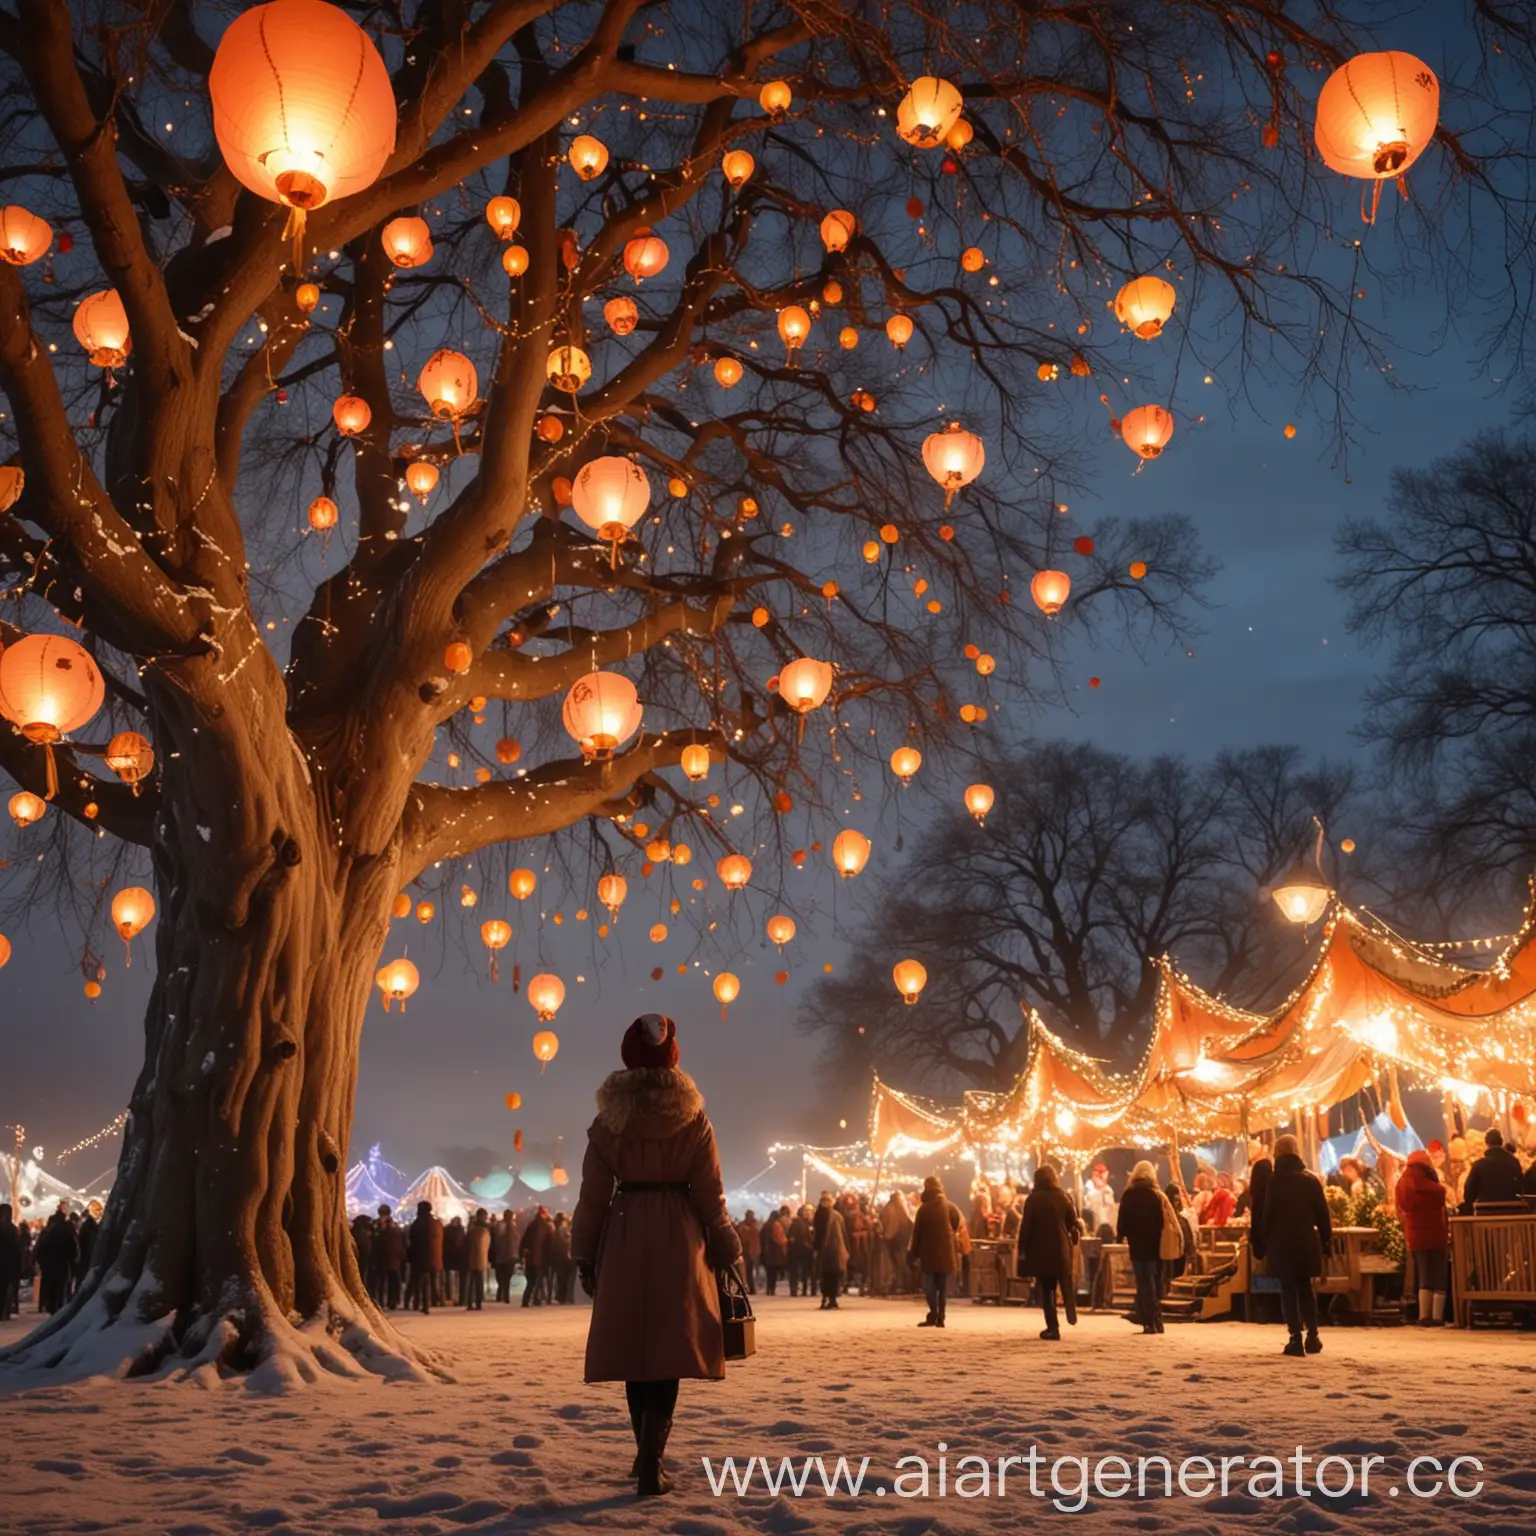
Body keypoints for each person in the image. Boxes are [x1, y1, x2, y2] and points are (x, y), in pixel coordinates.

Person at [571, 1013, 741, 1499]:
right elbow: (711, 1193)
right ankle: (653, 1459)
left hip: (624, 1231)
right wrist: (726, 1246)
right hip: (681, 1236)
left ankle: (642, 1454)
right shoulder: (693, 1117)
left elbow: (592, 1197)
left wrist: (585, 1253)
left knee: (634, 1351)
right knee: (668, 1348)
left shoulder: (609, 1123)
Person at [1257, 1132, 1332, 1357]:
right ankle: (1313, 1335)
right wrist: (1326, 1240)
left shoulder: (1274, 1182)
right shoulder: (1311, 1180)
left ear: (1277, 1154)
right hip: (1306, 1242)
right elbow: (1323, 1214)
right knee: (1306, 1287)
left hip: (1282, 1244)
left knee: (1288, 1289)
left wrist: (1263, 1240)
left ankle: (1295, 1338)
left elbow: (1267, 1215)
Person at [1017, 1165, 1079, 1340]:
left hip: (1041, 1250)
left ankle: (1053, 1327)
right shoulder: (1063, 1196)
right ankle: (1070, 1306)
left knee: (1047, 1290)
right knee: (1065, 1281)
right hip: (1061, 1248)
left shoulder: (1033, 1199)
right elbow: (1072, 1221)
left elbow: (1026, 1227)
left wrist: (1022, 1248)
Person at [1396, 1148, 1450, 1325]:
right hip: (1436, 1232)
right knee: (1438, 1274)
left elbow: (1401, 1209)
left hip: (1415, 1232)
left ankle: (1423, 1316)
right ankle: (1437, 1317)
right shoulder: (1436, 1187)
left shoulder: (1403, 1183)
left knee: (1424, 1273)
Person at [1116, 1161, 1167, 1335]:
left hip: (1136, 1244)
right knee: (1152, 1280)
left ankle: (1148, 1320)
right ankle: (1155, 1319)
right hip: (1153, 1244)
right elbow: (1162, 1221)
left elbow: (1122, 1219)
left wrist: (1120, 1236)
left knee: (1142, 1281)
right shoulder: (1155, 1195)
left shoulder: (1129, 1195)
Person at [907, 1175, 959, 1328]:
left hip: (929, 1254)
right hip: (946, 1253)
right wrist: (949, 1237)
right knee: (942, 1287)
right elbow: (956, 1224)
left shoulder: (924, 1209)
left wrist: (913, 1253)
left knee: (929, 1286)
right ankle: (941, 1316)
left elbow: (917, 1233)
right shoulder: (950, 1207)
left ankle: (933, 1313)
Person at [1459, 1127, 1525, 1211]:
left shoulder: (1479, 1165)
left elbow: (1469, 1195)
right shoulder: (1514, 1163)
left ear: (1487, 1143)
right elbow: (1521, 1188)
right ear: (1501, 1142)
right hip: (1511, 1211)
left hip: (1486, 1212)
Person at [33, 1209, 78, 1315]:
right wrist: (72, 1263)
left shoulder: (48, 1232)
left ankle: (51, 1308)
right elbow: (74, 1250)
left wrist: (42, 1263)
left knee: (51, 1289)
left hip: (49, 1266)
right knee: (61, 1289)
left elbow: (40, 1249)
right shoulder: (67, 1232)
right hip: (63, 1265)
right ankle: (60, 1309)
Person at [407, 1200, 442, 1314]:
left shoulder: (418, 1223)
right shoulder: (436, 1223)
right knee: (428, 1281)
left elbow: (412, 1238)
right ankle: (428, 1303)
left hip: (419, 1257)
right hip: (433, 1257)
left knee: (418, 1281)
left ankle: (418, 1303)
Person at [817, 1196, 848, 1309]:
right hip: (825, 1250)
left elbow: (843, 1234)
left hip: (834, 1249)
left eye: (827, 1201)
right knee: (826, 1275)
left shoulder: (836, 1216)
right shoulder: (819, 1215)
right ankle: (827, 1298)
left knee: (833, 1275)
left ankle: (832, 1298)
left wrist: (846, 1249)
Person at [519, 1205, 553, 1306]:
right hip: (539, 1258)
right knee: (536, 1280)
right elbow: (548, 1244)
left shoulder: (532, 1225)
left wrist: (522, 1254)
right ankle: (532, 1299)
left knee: (532, 1280)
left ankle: (530, 1299)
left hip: (531, 1257)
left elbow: (524, 1241)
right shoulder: (545, 1226)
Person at [372, 1206, 405, 1310]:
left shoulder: (378, 1228)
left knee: (383, 1282)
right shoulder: (397, 1228)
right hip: (394, 1259)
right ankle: (392, 1301)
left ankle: (383, 1301)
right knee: (392, 1282)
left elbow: (376, 1244)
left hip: (384, 1259)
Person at [463, 1207, 492, 1310]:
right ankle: (479, 1302)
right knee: (479, 1281)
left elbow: (465, 1243)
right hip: (482, 1258)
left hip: (471, 1258)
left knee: (471, 1282)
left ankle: (470, 1302)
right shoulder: (487, 1229)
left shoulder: (472, 1229)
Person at [0, 1203, 22, 1321]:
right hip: (9, 1265)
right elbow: (17, 1250)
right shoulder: (13, 1230)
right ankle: (5, 1311)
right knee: (7, 1288)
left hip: (4, 1263)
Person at [491, 1209, 519, 1302]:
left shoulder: (502, 1226)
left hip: (504, 1256)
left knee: (503, 1277)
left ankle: (502, 1295)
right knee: (504, 1277)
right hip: (507, 1255)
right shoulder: (507, 1226)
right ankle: (503, 1295)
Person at [787, 1205, 814, 1298]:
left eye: (810, 1211)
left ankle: (805, 1290)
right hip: (796, 1250)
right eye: (806, 1210)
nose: (808, 1213)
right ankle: (794, 1289)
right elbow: (791, 1237)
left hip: (807, 1251)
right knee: (795, 1271)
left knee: (806, 1271)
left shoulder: (810, 1223)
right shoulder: (797, 1222)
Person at [1082, 1163, 1117, 1236]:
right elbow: (1087, 1207)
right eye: (1098, 1176)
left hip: (1108, 1226)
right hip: (1095, 1226)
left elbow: (1111, 1206)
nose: (1102, 1179)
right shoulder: (1089, 1191)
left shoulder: (1109, 1190)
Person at [761, 1207, 789, 1295]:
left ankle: (768, 1289)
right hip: (775, 1252)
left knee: (769, 1272)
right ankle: (772, 1289)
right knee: (774, 1272)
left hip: (766, 1252)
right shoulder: (777, 1225)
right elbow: (780, 1238)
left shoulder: (766, 1225)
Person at [443, 1215, 467, 1305]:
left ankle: (450, 1296)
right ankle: (456, 1297)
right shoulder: (461, 1230)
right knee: (457, 1281)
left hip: (449, 1258)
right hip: (459, 1259)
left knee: (450, 1280)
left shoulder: (447, 1230)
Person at [737, 1210, 761, 1295]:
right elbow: (740, 1234)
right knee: (745, 1271)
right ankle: (747, 1287)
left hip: (752, 1250)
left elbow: (756, 1234)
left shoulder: (755, 1224)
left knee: (750, 1270)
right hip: (745, 1250)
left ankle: (752, 1287)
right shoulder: (743, 1224)